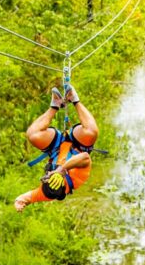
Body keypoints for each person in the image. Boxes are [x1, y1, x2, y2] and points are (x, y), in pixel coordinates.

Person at [14, 84, 99, 212]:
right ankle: (74, 99)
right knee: (91, 132)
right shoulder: (78, 178)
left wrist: (19, 202)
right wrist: (62, 169)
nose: (48, 174)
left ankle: (55, 105)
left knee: (33, 135)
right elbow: (85, 157)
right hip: (78, 145)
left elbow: (27, 198)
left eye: (47, 177)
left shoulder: (46, 192)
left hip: (56, 148)